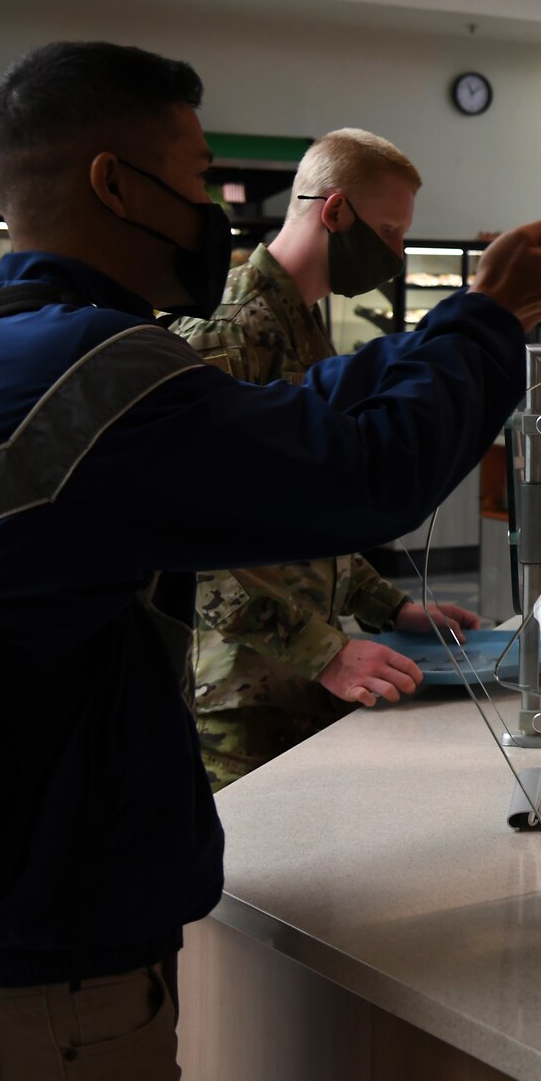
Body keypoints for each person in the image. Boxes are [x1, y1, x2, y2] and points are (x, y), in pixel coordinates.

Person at [0, 41, 541, 1081]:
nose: (212, 208)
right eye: (193, 180)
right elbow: (360, 473)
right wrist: (490, 317)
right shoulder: (78, 381)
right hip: (31, 985)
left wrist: (486, 327)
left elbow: (300, 412)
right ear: (112, 184)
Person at [171, 129, 485, 790]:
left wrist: (387, 606)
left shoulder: (298, 325)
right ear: (335, 212)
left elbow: (296, 507)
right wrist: (328, 652)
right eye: (391, 231)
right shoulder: (234, 332)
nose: (397, 254)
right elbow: (193, 540)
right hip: (243, 692)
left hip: (298, 672)